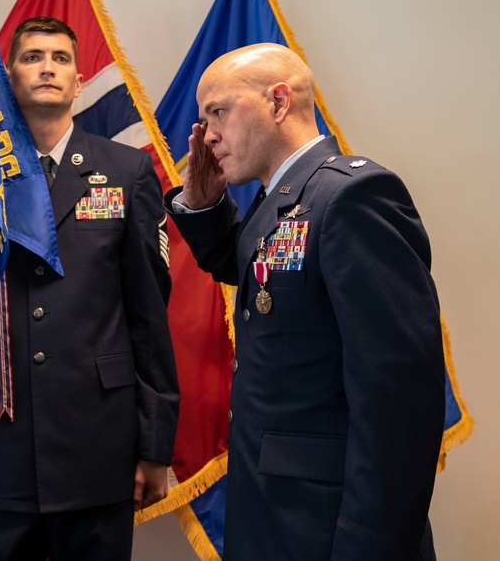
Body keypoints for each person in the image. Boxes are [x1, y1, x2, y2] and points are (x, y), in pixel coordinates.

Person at [165, 43, 445, 560]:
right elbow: (254, 270)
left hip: (329, 529)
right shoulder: (285, 200)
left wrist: (371, 548)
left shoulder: (351, 197)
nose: (207, 137)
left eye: (218, 112)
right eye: (203, 120)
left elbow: (399, 401)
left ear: (277, 102)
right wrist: (202, 204)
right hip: (274, 515)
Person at [0, 17, 180, 560]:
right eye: (32, 57)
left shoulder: (125, 171)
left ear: (80, 81)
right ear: (9, 78)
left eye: (60, 58)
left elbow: (150, 317)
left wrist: (155, 445)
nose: (47, 67)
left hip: (97, 447)